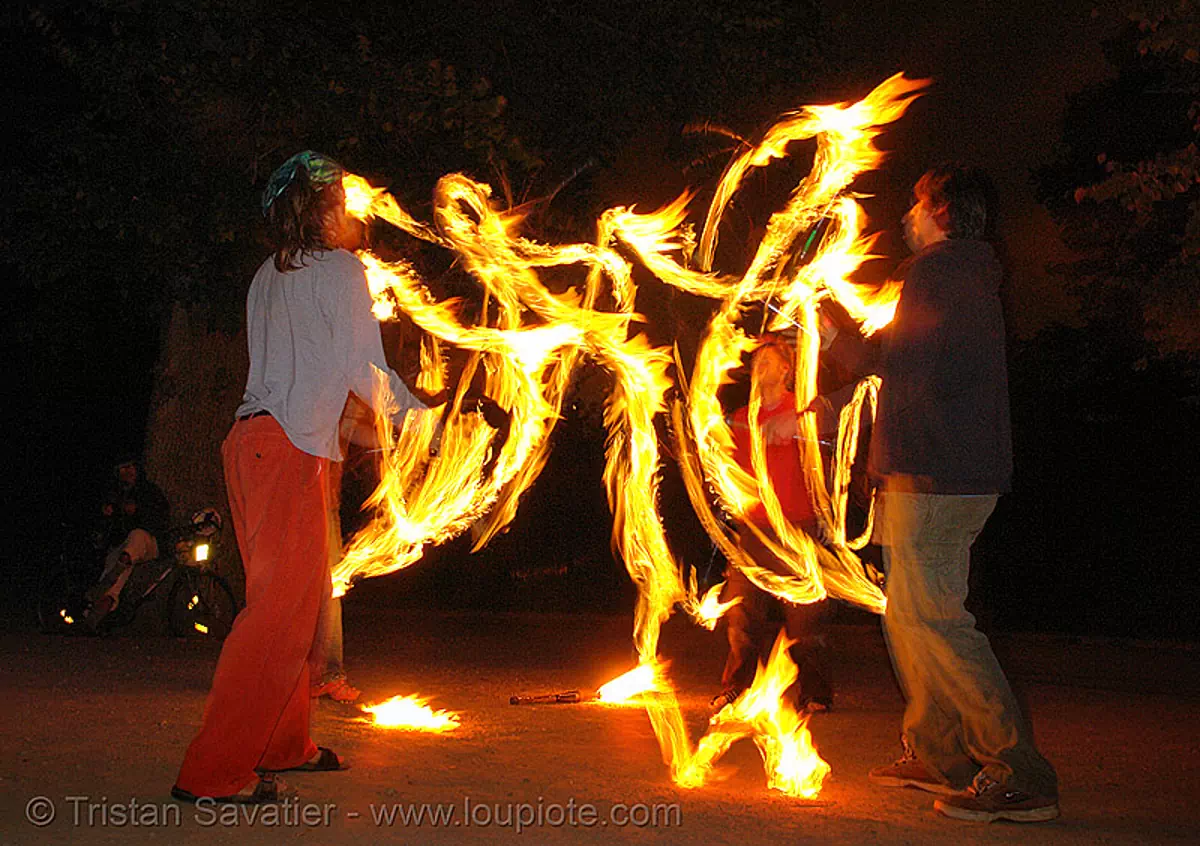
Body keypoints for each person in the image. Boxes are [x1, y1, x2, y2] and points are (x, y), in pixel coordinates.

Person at [172, 151, 437, 804]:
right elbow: (362, 371)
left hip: (256, 446)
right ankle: (213, 773)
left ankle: (284, 744)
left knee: (294, 610)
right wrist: (422, 416)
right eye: (342, 201)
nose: (352, 212)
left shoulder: (268, 273)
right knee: (276, 620)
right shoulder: (341, 269)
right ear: (320, 209)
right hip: (286, 451)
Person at [830, 164, 1058, 822]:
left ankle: (1020, 774)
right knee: (907, 618)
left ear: (943, 211)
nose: (907, 215)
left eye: (916, 203)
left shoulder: (937, 273)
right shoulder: (959, 276)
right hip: (928, 473)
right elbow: (913, 372)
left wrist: (833, 334)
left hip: (935, 475)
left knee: (935, 619)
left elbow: (897, 366)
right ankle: (938, 751)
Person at [711, 335, 833, 716]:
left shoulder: (803, 410)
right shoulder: (742, 417)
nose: (758, 366)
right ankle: (737, 688)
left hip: (797, 528)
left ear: (785, 369)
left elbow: (826, 457)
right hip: (754, 531)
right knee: (740, 613)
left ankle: (815, 691)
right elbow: (728, 467)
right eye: (756, 362)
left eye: (768, 360)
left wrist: (825, 516)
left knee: (805, 618)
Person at [84, 457, 170, 630]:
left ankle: (118, 568)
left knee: (137, 537)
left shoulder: (149, 491)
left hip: (148, 542)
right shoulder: (115, 495)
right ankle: (96, 615)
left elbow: (159, 519)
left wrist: (138, 511)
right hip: (123, 548)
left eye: (129, 467)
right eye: (122, 469)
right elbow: (111, 531)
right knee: (113, 573)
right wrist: (109, 514)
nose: (127, 472)